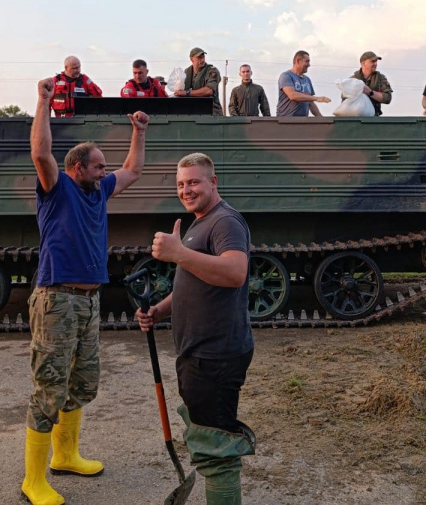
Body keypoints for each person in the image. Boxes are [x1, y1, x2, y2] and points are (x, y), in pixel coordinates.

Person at [22, 76, 149, 505]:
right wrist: (42, 101)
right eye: (98, 165)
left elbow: (133, 169)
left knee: (82, 382)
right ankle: (33, 481)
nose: (105, 170)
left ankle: (66, 455)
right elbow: (41, 152)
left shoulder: (99, 192)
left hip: (89, 301)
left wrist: (139, 131)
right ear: (77, 168)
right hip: (57, 299)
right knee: (49, 387)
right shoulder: (57, 191)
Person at [135, 152, 255, 505]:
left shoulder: (225, 222)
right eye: (181, 184)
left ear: (213, 182)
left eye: (194, 182)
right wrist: (160, 310)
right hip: (198, 351)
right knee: (208, 433)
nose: (186, 190)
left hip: (215, 354)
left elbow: (234, 274)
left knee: (217, 446)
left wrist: (177, 254)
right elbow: (195, 277)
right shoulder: (200, 222)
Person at [277, 50, 330, 117]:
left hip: (302, 120)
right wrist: (316, 98)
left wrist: (321, 119)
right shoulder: (286, 76)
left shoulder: (307, 80)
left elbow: (310, 102)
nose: (309, 65)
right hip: (286, 120)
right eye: (307, 61)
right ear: (298, 61)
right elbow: (292, 95)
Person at [175, 47, 222, 115]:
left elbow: (209, 90)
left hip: (212, 111)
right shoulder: (187, 72)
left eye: (203, 57)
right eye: (199, 57)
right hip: (194, 111)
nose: (202, 60)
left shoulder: (211, 70)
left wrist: (187, 93)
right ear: (191, 59)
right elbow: (180, 89)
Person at [349, 51, 393, 116]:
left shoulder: (380, 78)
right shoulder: (352, 80)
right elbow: (345, 99)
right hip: (355, 119)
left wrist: (370, 93)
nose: (375, 64)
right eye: (372, 61)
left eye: (376, 61)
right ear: (363, 63)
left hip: (373, 120)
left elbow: (387, 98)